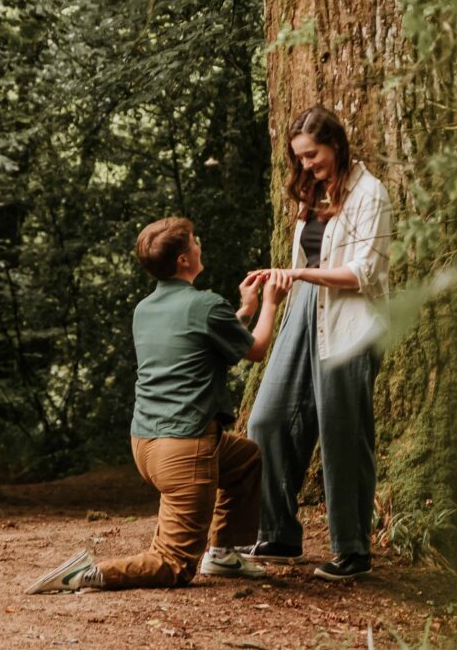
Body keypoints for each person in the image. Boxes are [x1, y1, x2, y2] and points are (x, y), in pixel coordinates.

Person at [26, 216, 292, 594]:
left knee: (245, 458)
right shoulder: (205, 304)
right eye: (195, 241)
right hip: (184, 449)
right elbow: (256, 349)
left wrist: (245, 309)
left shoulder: (145, 309)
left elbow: (207, 338)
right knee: (174, 564)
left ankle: (222, 553)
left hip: (146, 444)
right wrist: (270, 303)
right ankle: (88, 573)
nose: (199, 246)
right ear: (183, 259)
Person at [239, 105, 392, 581]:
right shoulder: (311, 192)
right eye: (300, 158)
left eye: (312, 155)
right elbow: (305, 256)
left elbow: (366, 272)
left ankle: (352, 549)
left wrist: (302, 274)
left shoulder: (370, 193)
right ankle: (279, 534)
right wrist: (280, 285)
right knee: (267, 418)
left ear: (336, 145)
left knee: (343, 433)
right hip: (304, 309)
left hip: (351, 319)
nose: (306, 165)